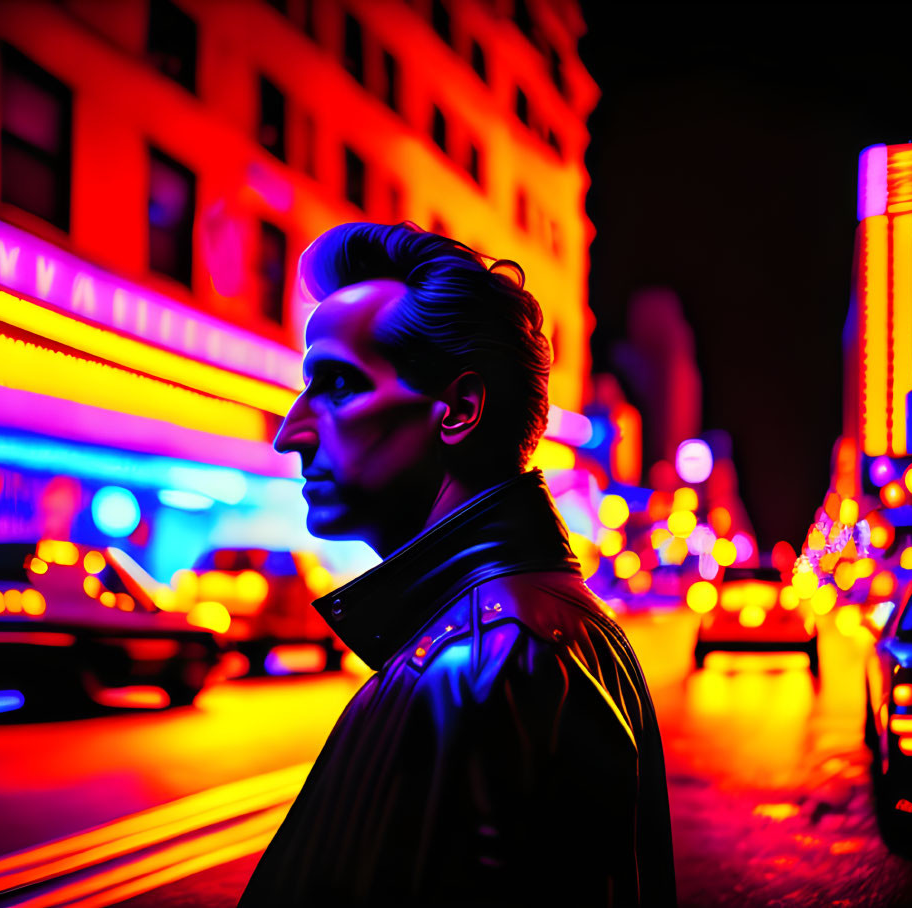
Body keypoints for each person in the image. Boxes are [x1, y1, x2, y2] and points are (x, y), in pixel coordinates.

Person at [238, 222, 676, 907]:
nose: (288, 432)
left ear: (460, 411)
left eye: (339, 386)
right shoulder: (511, 634)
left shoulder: (482, 661)